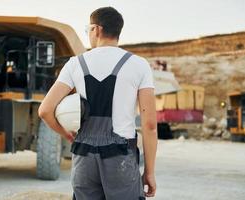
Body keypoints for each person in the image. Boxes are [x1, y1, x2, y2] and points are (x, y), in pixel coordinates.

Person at [38, 6, 157, 200]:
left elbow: (45, 110)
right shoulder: (139, 65)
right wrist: (149, 173)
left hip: (84, 156)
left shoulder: (75, 64)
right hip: (120, 157)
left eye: (88, 30)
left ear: (96, 29)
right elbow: (150, 125)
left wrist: (67, 135)